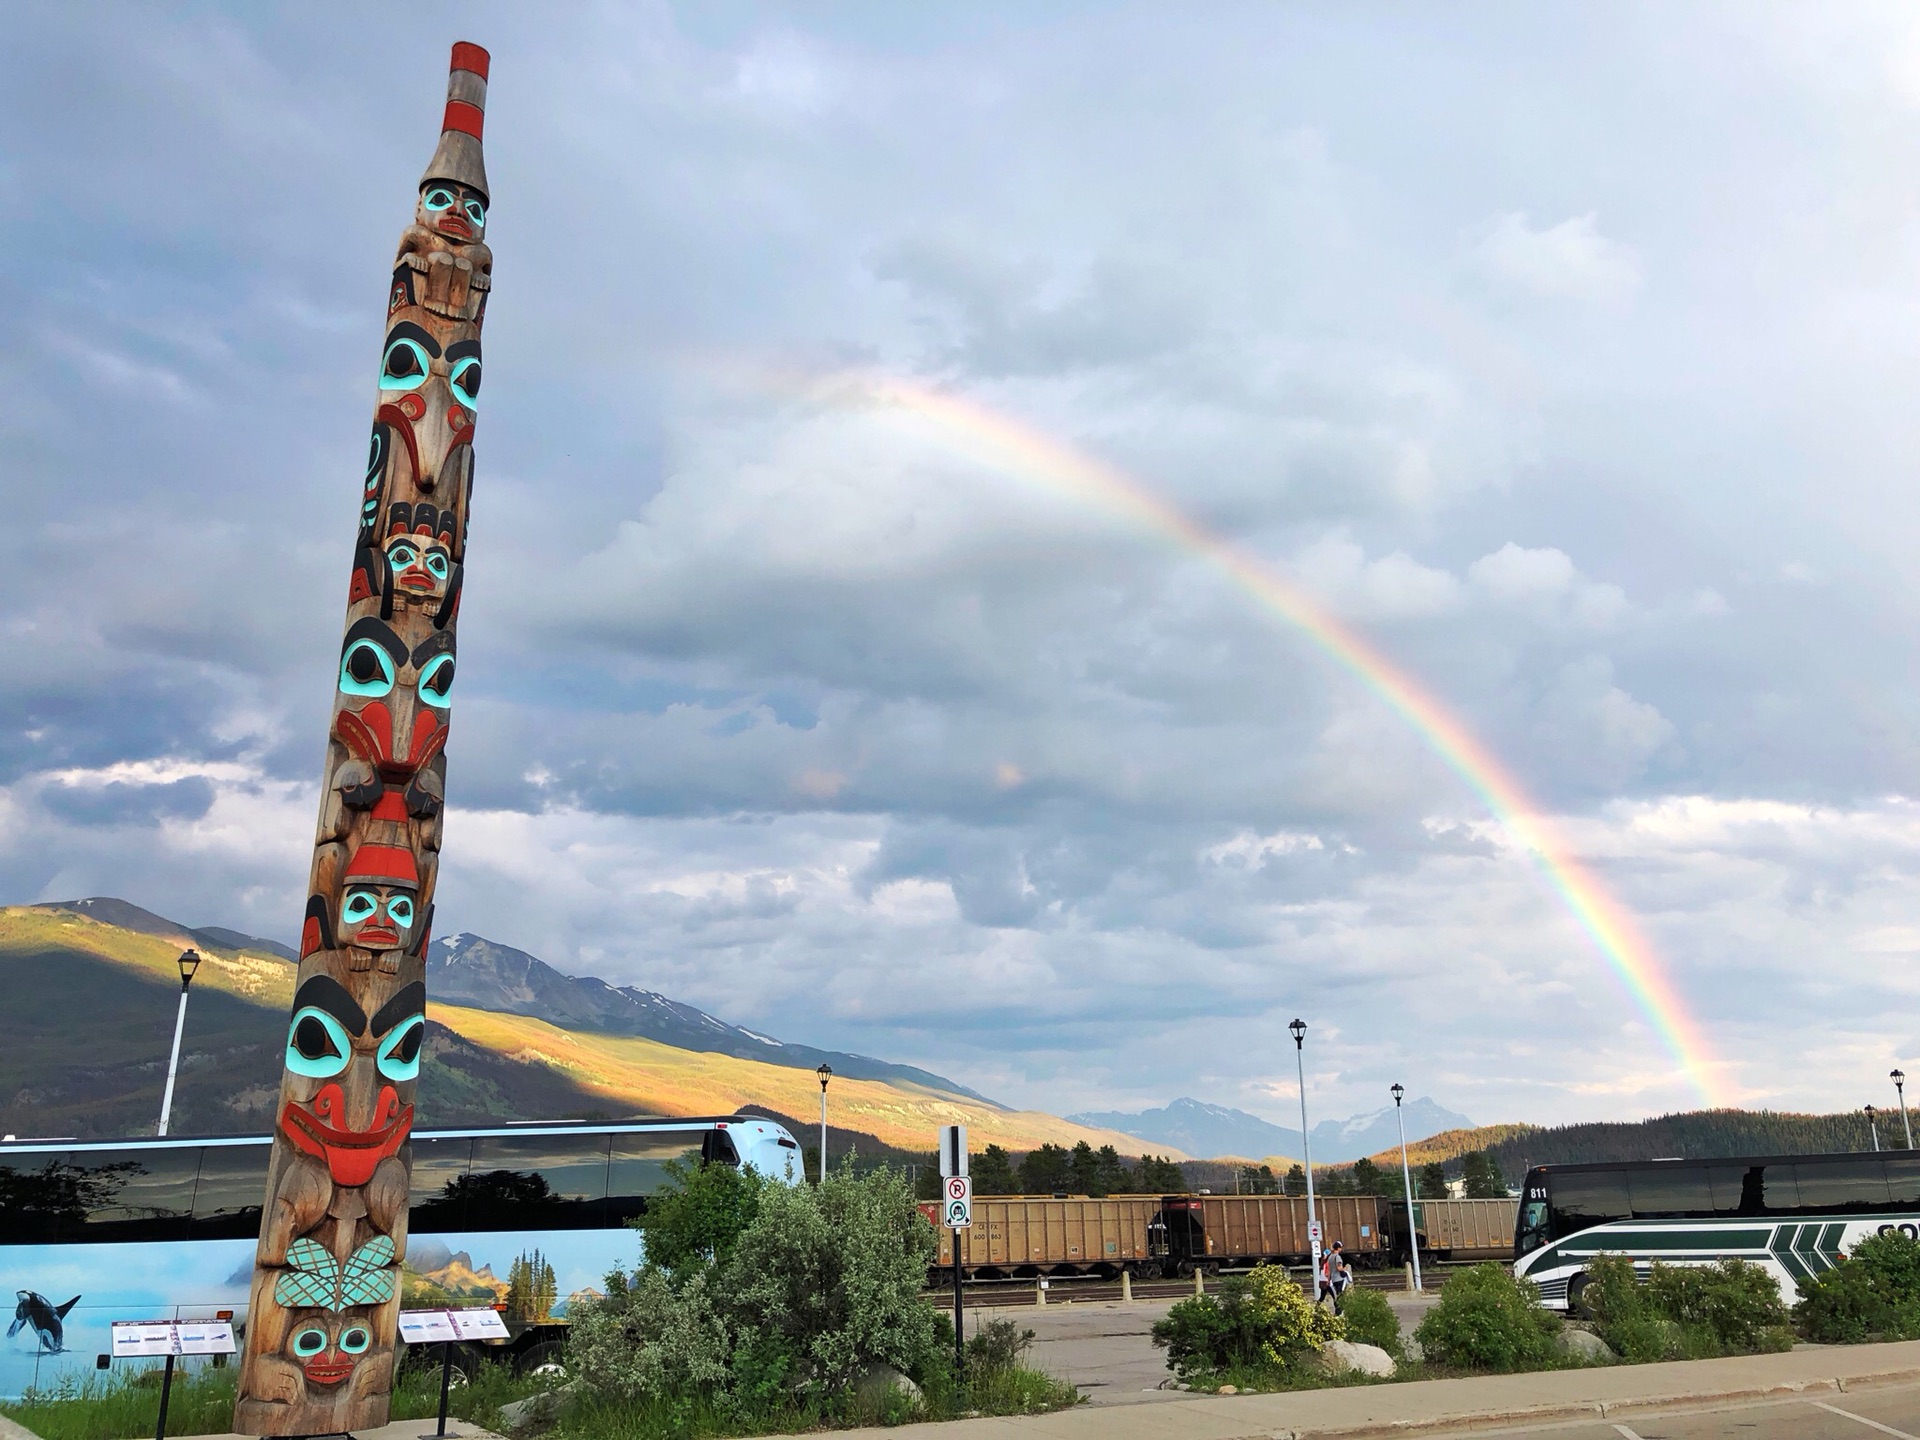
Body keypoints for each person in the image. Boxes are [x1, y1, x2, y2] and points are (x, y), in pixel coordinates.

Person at [1321, 1240, 1351, 1313]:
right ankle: (1339, 1311)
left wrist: (1328, 1280)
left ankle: (1338, 1311)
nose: (1341, 1249)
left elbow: (1329, 1270)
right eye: (1340, 1247)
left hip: (1334, 1279)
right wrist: (1344, 1269)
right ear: (1338, 1248)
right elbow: (1339, 1268)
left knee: (1337, 1295)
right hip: (1339, 1279)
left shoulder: (1330, 1257)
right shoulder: (1337, 1257)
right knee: (1340, 1296)